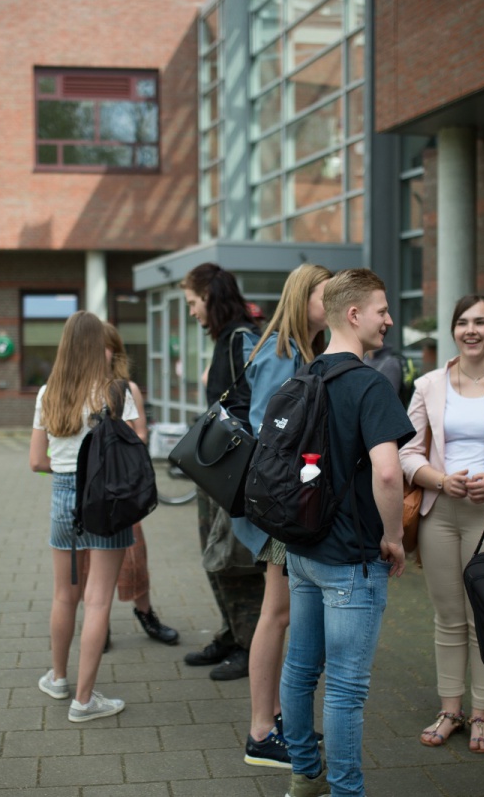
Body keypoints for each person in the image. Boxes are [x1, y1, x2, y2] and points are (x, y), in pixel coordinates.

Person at [279, 268, 414, 797]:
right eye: (381, 310)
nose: (388, 319)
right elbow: (387, 472)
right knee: (345, 688)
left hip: (302, 549)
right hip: (350, 561)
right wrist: (394, 538)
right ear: (354, 315)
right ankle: (346, 790)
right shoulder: (369, 383)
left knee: (299, 669)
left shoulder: (302, 378)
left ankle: (304, 774)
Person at [399, 294, 484, 754]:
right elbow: (407, 452)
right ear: (453, 330)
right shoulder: (429, 384)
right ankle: (451, 709)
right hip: (440, 512)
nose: (471, 331)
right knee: (448, 618)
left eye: (480, 322)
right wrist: (441, 480)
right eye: (463, 322)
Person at [229, 263, 332, 769]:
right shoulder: (281, 352)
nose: (333, 303)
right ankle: (261, 731)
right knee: (278, 613)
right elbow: (268, 431)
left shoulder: (307, 350)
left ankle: (275, 716)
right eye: (325, 294)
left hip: (287, 502)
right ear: (302, 297)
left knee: (284, 612)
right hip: (280, 506)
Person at [29, 310, 136, 722]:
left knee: (64, 595)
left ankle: (57, 679)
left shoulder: (47, 393)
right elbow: (133, 454)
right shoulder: (116, 392)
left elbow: (37, 460)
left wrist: (67, 465)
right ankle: (85, 701)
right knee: (97, 601)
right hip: (107, 500)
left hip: (62, 497)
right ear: (100, 347)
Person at [180, 262, 264, 681]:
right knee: (215, 554)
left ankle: (251, 646)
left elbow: (256, 403)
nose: (192, 311)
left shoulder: (242, 338)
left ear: (209, 297)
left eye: (193, 303)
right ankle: (233, 633)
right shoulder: (231, 339)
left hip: (231, 470)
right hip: (216, 469)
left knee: (233, 558)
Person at [103, 322, 179, 647]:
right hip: (91, 491)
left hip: (123, 487)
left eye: (104, 346)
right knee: (92, 560)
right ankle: (99, 624)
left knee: (134, 553)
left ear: (114, 351)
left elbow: (141, 433)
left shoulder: (124, 388)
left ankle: (145, 612)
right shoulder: (74, 387)